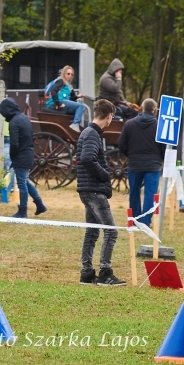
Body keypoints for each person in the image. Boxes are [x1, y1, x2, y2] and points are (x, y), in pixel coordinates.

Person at [76, 99, 125, 286]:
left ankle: (87, 273)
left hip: (88, 189)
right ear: (109, 116)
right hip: (94, 190)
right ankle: (105, 272)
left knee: (92, 232)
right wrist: (105, 175)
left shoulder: (89, 133)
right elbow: (87, 158)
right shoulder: (92, 135)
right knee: (111, 232)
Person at [0, 97, 47, 218]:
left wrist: (13, 156)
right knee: (25, 181)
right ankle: (40, 204)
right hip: (29, 152)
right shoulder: (24, 118)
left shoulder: (14, 122)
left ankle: (23, 211)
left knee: (22, 184)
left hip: (21, 155)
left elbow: (14, 143)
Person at [117, 98, 164, 227]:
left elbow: (121, 144)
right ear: (154, 110)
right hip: (153, 165)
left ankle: (134, 219)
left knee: (134, 192)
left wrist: (130, 155)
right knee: (150, 193)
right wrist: (160, 158)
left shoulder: (129, 124)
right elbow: (163, 147)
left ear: (142, 108)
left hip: (134, 164)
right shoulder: (159, 125)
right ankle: (145, 221)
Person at [46, 65, 85, 132]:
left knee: (78, 107)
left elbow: (70, 99)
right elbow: (53, 92)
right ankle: (75, 124)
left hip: (64, 101)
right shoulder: (61, 80)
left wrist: (77, 96)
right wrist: (59, 103)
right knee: (81, 106)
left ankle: (73, 124)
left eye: (72, 74)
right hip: (56, 103)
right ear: (64, 73)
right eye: (68, 74)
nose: (70, 76)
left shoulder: (68, 85)